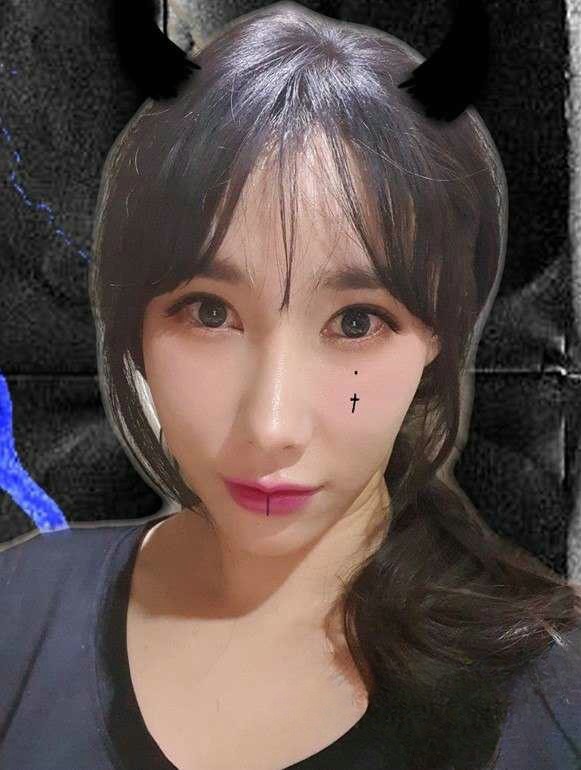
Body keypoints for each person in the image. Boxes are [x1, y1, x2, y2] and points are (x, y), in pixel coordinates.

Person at [2, 3, 581, 769]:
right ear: (133, 322)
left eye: (354, 322)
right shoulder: (19, 612)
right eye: (210, 313)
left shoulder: (554, 698)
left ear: (438, 337)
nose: (271, 426)